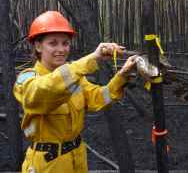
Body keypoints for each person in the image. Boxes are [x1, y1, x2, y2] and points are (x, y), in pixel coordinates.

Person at [13, 11, 137, 173]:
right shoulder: (27, 79)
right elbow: (43, 93)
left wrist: (122, 76)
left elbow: (97, 98)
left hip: (77, 158)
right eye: (53, 43)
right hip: (48, 164)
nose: (61, 49)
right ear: (38, 46)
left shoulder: (73, 76)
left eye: (65, 43)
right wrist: (92, 59)